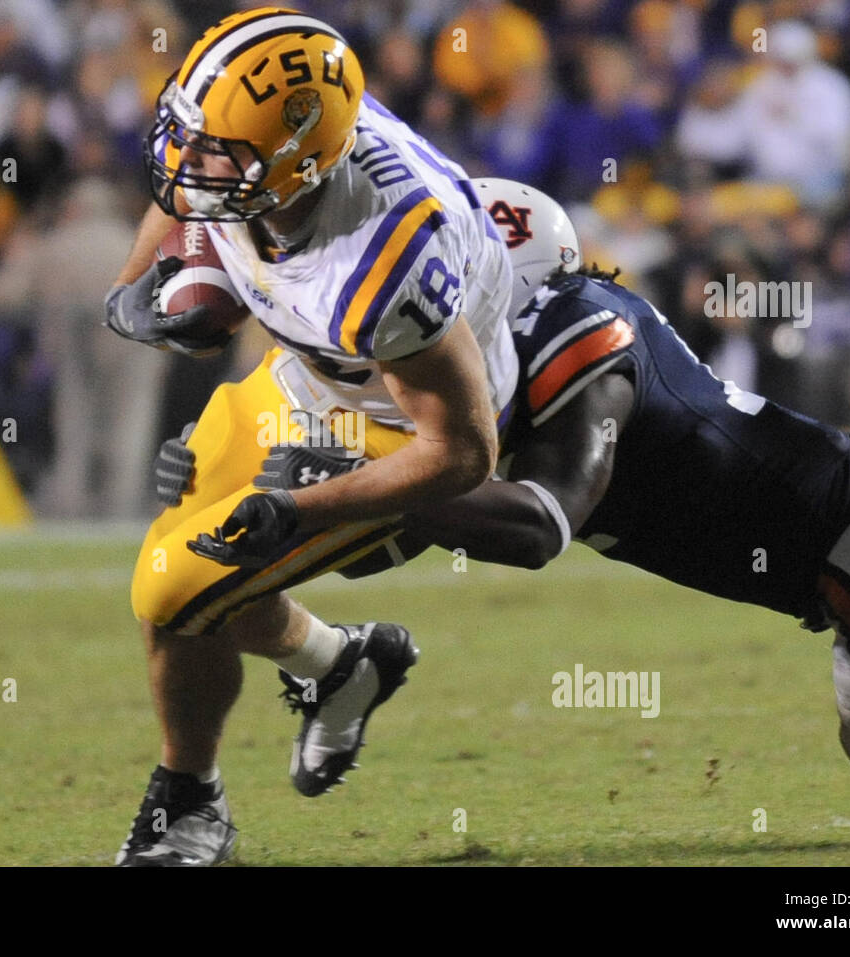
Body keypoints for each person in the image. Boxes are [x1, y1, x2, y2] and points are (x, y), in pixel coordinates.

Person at [187, 180, 850, 844]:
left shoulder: (580, 332)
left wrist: (348, 481)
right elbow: (384, 538)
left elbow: (538, 525)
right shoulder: (512, 365)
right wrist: (277, 493)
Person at [103, 8, 528, 866]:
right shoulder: (265, 148)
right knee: (182, 568)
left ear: (294, 169)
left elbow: (464, 452)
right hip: (306, 379)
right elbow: (184, 190)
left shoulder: (384, 259)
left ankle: (189, 808)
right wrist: (131, 290)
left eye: (217, 150)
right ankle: (339, 664)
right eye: (188, 131)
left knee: (173, 585)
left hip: (391, 431)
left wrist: (298, 507)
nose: (190, 160)